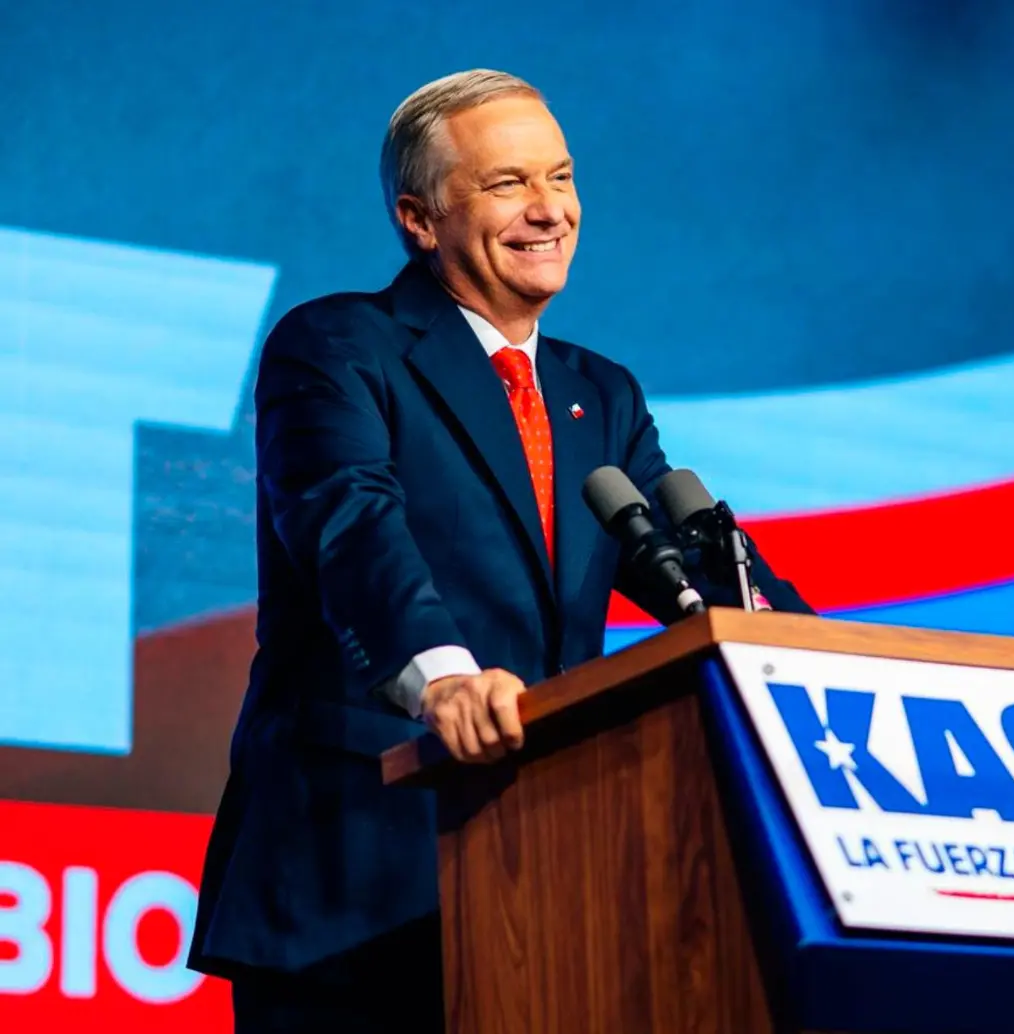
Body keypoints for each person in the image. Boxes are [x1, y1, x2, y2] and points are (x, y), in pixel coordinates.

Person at [187, 69, 812, 1032]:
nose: (548, 209)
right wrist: (443, 680)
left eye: (559, 178)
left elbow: (679, 562)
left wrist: (807, 664)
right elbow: (350, 524)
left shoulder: (598, 394)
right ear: (419, 218)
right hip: (359, 881)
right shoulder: (339, 345)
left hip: (554, 880)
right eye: (507, 183)